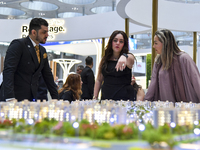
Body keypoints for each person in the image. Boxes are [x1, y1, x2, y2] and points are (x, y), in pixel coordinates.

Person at [0, 18, 58, 101]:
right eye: (44, 32)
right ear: (34, 32)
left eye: (47, 32)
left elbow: (47, 75)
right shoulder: (18, 45)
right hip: (13, 97)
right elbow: (9, 71)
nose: (47, 35)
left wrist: (56, 98)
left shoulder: (42, 50)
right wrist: (10, 97)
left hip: (30, 98)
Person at [144, 29, 200, 103]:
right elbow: (152, 86)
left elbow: (196, 81)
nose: (154, 46)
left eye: (156, 43)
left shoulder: (184, 58)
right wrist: (145, 103)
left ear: (165, 43)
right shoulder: (158, 61)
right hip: (164, 109)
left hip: (184, 108)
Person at [93, 30, 135, 100]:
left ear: (124, 44)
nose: (118, 43)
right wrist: (95, 96)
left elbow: (132, 58)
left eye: (121, 41)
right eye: (115, 40)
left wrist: (124, 56)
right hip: (106, 99)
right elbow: (99, 80)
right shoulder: (105, 59)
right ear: (111, 42)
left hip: (124, 100)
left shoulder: (128, 58)